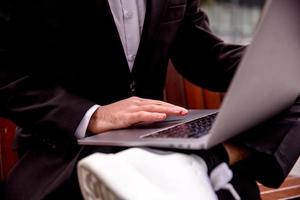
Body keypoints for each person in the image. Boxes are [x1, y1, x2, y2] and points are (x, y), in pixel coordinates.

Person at [0, 0, 299, 199]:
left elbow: (201, 55)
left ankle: (205, 161)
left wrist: (278, 61)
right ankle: (203, 166)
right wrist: (93, 115)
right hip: (67, 150)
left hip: (160, 137)